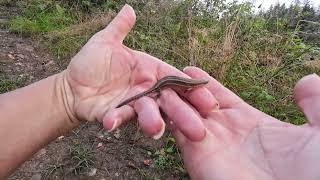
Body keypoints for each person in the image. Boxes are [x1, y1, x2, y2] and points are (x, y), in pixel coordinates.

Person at [0, 4, 320, 180]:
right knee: (154, 93)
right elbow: (174, 87)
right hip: (155, 87)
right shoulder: (186, 83)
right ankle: (145, 96)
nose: (200, 85)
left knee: (156, 94)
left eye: (200, 85)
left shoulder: (189, 83)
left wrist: (66, 95)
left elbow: (180, 87)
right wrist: (67, 93)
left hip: (158, 87)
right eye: (201, 84)